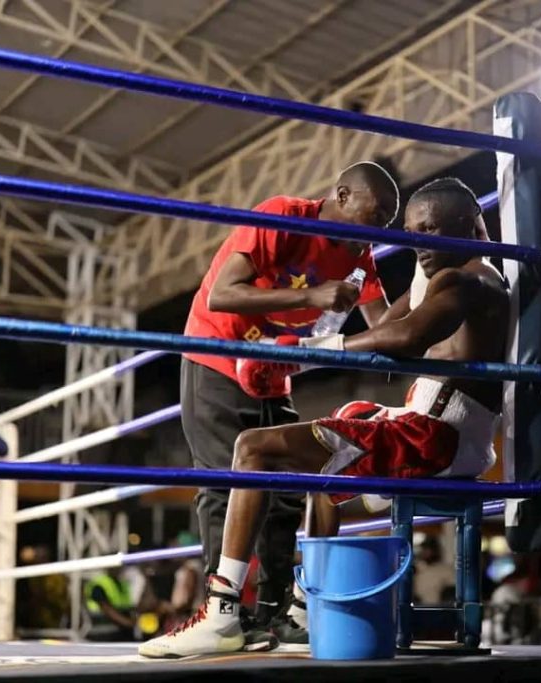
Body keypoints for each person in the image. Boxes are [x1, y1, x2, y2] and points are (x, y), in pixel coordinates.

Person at [141, 177, 508, 658]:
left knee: (253, 448)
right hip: (429, 425)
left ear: (469, 225)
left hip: (434, 436)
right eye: (413, 232)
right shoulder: (430, 268)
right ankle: (300, 609)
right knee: (343, 421)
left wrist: (301, 350)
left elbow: (403, 340)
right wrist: (297, 356)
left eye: (430, 231)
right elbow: (391, 328)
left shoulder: (469, 277)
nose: (418, 244)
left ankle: (222, 610)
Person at [179, 161, 399, 645]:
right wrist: (318, 295)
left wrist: (437, 282)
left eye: (390, 218)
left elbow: (383, 322)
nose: (382, 224)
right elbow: (220, 294)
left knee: (284, 492)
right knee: (223, 483)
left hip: (275, 372)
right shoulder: (283, 216)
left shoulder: (360, 254)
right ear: (342, 195)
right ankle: (222, 616)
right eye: (377, 210)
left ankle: (272, 614)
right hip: (218, 353)